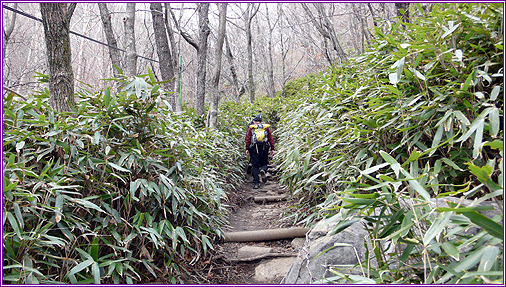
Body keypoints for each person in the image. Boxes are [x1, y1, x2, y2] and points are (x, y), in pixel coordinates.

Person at [245, 114, 275, 189]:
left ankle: (256, 183)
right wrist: (272, 148)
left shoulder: (251, 128)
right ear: (261, 122)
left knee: (255, 166)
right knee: (264, 163)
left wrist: (247, 148)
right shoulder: (266, 128)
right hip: (264, 147)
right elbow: (270, 138)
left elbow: (248, 138)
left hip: (254, 148)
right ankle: (262, 170)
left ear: (254, 122)